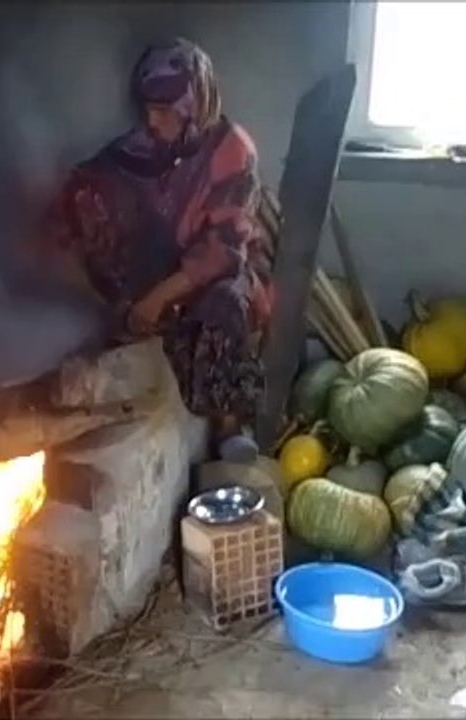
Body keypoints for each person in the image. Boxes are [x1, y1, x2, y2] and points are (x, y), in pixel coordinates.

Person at [42, 38, 281, 439]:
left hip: (220, 275)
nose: (153, 121)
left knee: (222, 305)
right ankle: (125, 340)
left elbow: (222, 251)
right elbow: (87, 181)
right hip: (166, 264)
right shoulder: (148, 144)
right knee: (93, 200)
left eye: (164, 110)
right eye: (148, 109)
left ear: (195, 104)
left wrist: (155, 301)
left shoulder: (232, 150)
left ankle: (230, 425)